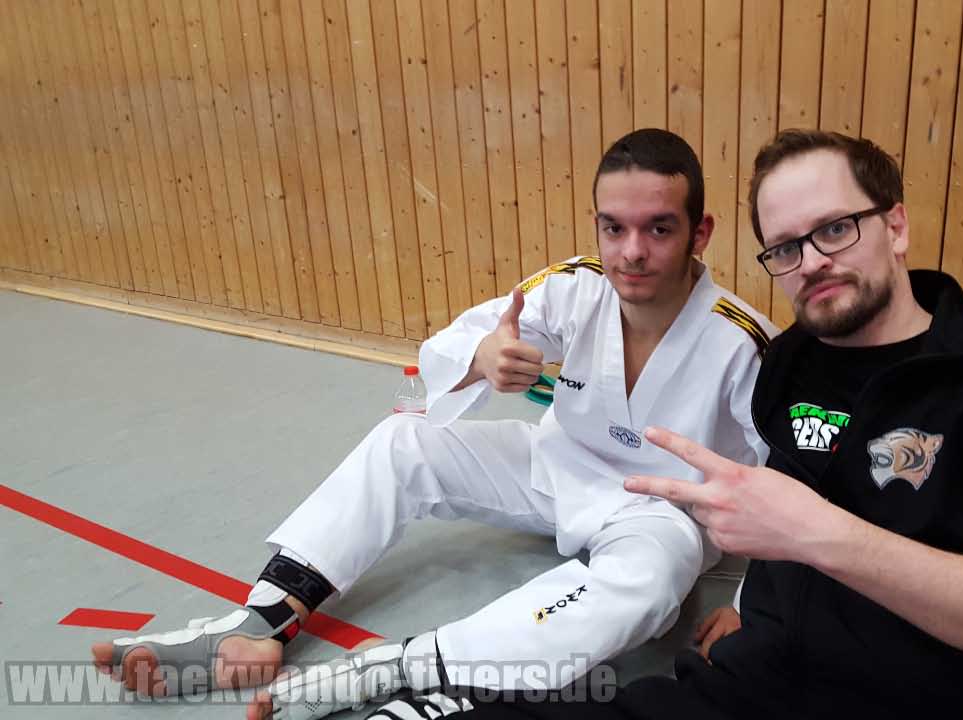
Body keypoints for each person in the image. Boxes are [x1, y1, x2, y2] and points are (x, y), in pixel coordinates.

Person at [371, 129, 963, 719]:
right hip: (760, 685)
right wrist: (749, 605)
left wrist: (820, 535)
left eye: (836, 229)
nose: (812, 260)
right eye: (785, 247)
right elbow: (773, 506)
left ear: (897, 225)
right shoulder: (791, 370)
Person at [90, 128, 777, 720]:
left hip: (658, 511)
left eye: (659, 228)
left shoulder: (741, 343)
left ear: (700, 232)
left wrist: (753, 607)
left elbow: (791, 479)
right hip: (556, 466)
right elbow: (461, 339)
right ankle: (266, 617)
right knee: (407, 437)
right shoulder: (574, 285)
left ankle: (420, 670)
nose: (631, 251)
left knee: (651, 583)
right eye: (613, 227)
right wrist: (484, 358)